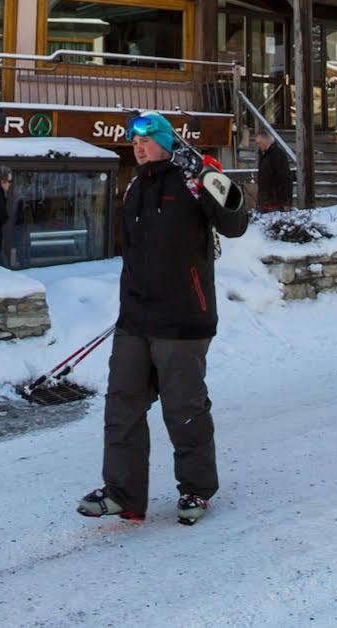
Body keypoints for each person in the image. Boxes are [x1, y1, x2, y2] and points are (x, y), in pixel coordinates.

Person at [79, 112, 249, 526]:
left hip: (183, 319)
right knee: (122, 405)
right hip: (135, 318)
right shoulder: (135, 186)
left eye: (146, 138)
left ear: (166, 141)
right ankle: (123, 493)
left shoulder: (193, 181)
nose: (137, 145)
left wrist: (210, 177)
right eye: (133, 140)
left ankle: (196, 489)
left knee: (184, 407)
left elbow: (235, 223)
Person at [252, 128, 294, 211]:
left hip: (277, 201)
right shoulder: (264, 155)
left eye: (259, 143)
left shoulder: (277, 155)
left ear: (265, 141)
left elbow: (285, 178)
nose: (258, 146)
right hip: (266, 201)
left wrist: (285, 202)